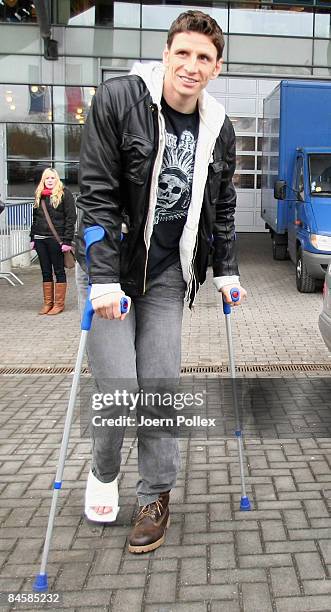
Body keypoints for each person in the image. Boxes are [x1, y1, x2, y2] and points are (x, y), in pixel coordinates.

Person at [75, 9, 247, 553]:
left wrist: (227, 269)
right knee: (121, 388)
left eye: (204, 58)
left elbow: (222, 205)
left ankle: (155, 494)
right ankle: (104, 469)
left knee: (159, 389)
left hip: (168, 277)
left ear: (217, 68)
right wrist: (102, 280)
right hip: (112, 273)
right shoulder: (120, 100)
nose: (191, 67)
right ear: (166, 54)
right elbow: (96, 191)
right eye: (183, 54)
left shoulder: (219, 127)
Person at [30, 168, 76, 315]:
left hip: (56, 239)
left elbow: (71, 218)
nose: (50, 181)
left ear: (57, 179)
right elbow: (35, 219)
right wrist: (32, 237)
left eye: (52, 178)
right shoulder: (39, 195)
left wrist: (67, 240)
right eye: (47, 178)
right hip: (40, 238)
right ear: (43, 180)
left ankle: (59, 304)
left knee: (59, 271)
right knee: (45, 271)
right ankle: (47, 303)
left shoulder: (64, 194)